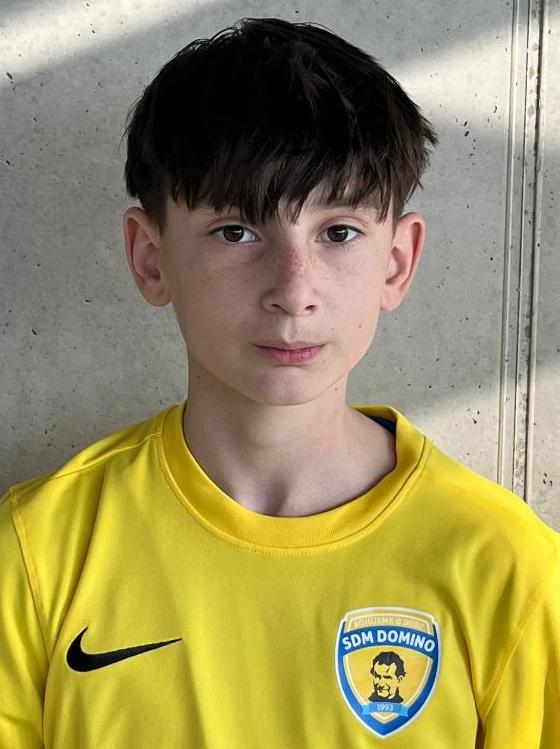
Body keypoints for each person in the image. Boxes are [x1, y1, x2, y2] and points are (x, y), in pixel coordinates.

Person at [0, 16, 558, 748]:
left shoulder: (509, 566)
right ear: (150, 258)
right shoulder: (35, 553)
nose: (294, 292)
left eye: (338, 232)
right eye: (237, 232)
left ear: (397, 262)